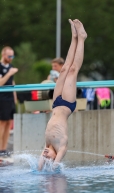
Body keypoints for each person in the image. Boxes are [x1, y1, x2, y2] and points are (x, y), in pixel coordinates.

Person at [38, 19, 87, 170]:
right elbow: (55, 167)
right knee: (72, 70)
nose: (45, 154)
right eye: (48, 157)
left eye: (44, 155)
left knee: (65, 69)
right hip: (66, 104)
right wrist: (54, 164)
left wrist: (43, 162)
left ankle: (74, 37)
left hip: (55, 103)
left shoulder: (47, 146)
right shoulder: (61, 148)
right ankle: (82, 38)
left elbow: (38, 168)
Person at [0, 46, 18, 157]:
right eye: (9, 56)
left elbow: (12, 82)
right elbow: (1, 83)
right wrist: (9, 73)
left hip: (10, 98)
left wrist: (15, 97)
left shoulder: (10, 66)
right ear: (3, 54)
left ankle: (3, 148)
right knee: (1, 123)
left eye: (12, 56)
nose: (11, 58)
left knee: (8, 123)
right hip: (2, 98)